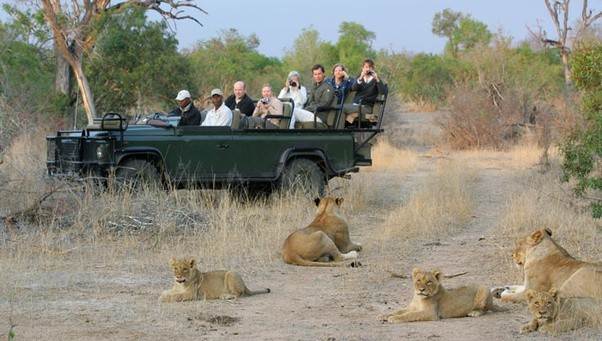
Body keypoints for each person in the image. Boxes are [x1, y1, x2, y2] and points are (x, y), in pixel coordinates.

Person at [342, 58, 388, 127]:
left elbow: (383, 92)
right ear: (362, 68)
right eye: (366, 67)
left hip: (366, 107)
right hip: (355, 105)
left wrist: (377, 79)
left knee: (341, 108)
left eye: (370, 67)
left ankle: (339, 132)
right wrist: (360, 78)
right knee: (339, 109)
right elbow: (353, 88)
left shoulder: (376, 79)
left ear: (373, 69)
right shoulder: (359, 77)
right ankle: (341, 130)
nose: (368, 69)